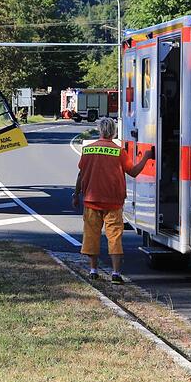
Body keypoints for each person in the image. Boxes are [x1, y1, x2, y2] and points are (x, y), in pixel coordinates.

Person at [72, 117, 154, 284]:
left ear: (99, 130)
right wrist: (146, 157)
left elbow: (81, 174)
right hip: (113, 203)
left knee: (91, 236)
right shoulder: (118, 152)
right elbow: (134, 172)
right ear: (114, 132)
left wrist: (76, 194)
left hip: (91, 200)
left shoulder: (87, 150)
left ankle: (93, 270)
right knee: (114, 237)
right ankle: (116, 274)